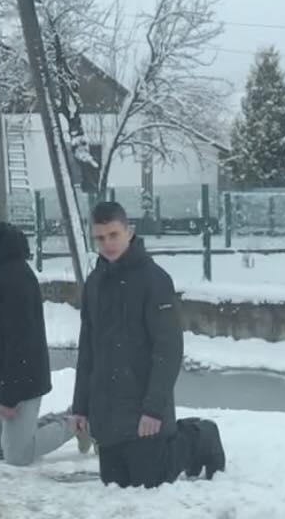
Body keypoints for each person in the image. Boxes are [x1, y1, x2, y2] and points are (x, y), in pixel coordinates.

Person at [71, 202, 225, 489]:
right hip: (108, 410)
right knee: (115, 484)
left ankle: (199, 437)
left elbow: (168, 349)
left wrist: (154, 409)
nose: (107, 244)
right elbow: (87, 351)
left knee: (150, 481)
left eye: (113, 235)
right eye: (100, 238)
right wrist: (80, 406)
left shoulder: (154, 280)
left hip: (144, 405)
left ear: (129, 232)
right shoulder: (94, 283)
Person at [0, 218, 89, 466]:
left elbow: (22, 342)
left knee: (17, 455)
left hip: (22, 376)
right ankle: (61, 418)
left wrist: (10, 397)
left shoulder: (17, 277)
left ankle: (76, 423)